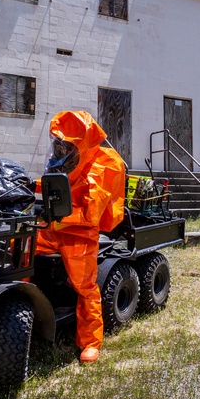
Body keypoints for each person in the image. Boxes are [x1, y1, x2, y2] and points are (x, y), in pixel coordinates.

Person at [36, 110, 126, 364]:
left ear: (80, 144)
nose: (59, 149)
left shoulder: (104, 166)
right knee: (17, 248)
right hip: (53, 227)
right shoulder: (63, 160)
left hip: (79, 234)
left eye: (65, 144)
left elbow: (90, 214)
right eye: (57, 143)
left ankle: (90, 341)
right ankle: (23, 308)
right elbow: (50, 184)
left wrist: (59, 218)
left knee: (84, 286)